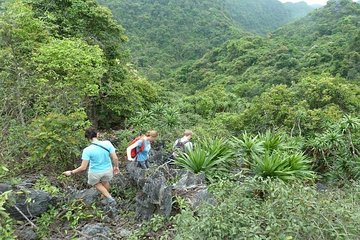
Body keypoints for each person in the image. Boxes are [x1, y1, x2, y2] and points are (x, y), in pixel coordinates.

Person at [63, 127, 119, 205]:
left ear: (87, 138)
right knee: (105, 181)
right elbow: (115, 158)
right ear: (97, 134)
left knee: (96, 183)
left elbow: (83, 167)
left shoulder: (87, 150)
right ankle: (104, 198)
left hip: (95, 172)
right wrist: (116, 167)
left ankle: (110, 198)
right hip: (108, 170)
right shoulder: (107, 143)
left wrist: (71, 172)